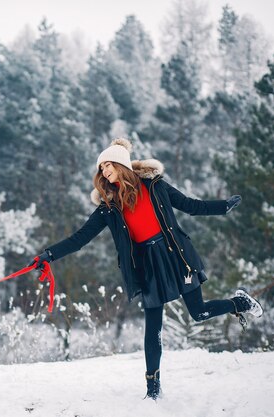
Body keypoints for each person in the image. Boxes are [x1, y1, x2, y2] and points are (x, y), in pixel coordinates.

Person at [30, 138, 263, 400]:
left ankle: (239, 303)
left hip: (176, 255)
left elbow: (191, 205)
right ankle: (153, 389)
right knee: (153, 328)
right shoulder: (109, 208)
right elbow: (80, 238)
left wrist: (224, 206)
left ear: (121, 164)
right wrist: (49, 255)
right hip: (148, 266)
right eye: (101, 168)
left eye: (108, 165)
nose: (104, 172)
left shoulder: (155, 187)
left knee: (199, 312)